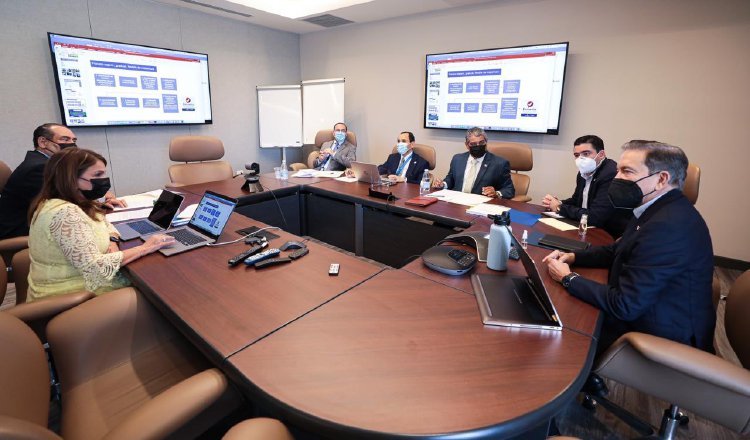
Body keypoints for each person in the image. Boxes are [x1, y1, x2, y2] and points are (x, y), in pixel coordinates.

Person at [543, 140, 715, 352]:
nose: (616, 179)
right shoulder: (654, 208)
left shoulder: (668, 226)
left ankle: (588, 381)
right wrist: (574, 257)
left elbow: (624, 306)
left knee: (556, 328)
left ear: (661, 179)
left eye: (626, 171)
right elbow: (617, 250)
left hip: (660, 338)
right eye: (618, 171)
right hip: (647, 311)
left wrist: (568, 278)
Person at [27, 148, 175, 302]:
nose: (104, 180)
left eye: (104, 173)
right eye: (98, 175)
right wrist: (147, 247)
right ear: (71, 179)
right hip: (70, 296)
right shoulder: (65, 213)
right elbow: (95, 269)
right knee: (159, 284)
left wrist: (113, 240)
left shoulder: (72, 201)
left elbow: (103, 222)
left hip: (76, 285)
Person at [0, 123, 125, 240]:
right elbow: (65, 201)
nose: (71, 144)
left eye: (73, 140)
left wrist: (101, 197)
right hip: (23, 231)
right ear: (43, 142)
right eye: (65, 139)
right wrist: (99, 201)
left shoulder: (53, 164)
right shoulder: (39, 167)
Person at [541, 135, 631, 238]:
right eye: (576, 155)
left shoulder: (610, 174)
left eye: (586, 154)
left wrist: (559, 207)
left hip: (607, 234)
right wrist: (556, 203)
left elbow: (595, 217)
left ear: (601, 154)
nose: (580, 159)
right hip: (587, 227)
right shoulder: (583, 172)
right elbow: (577, 200)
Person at [432, 127, 514, 198]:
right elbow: (451, 179)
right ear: (467, 145)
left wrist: (496, 193)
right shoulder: (457, 159)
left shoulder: (499, 163)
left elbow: (509, 190)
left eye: (481, 143)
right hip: (456, 202)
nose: (478, 146)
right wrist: (443, 184)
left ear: (486, 142)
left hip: (481, 206)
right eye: (474, 144)